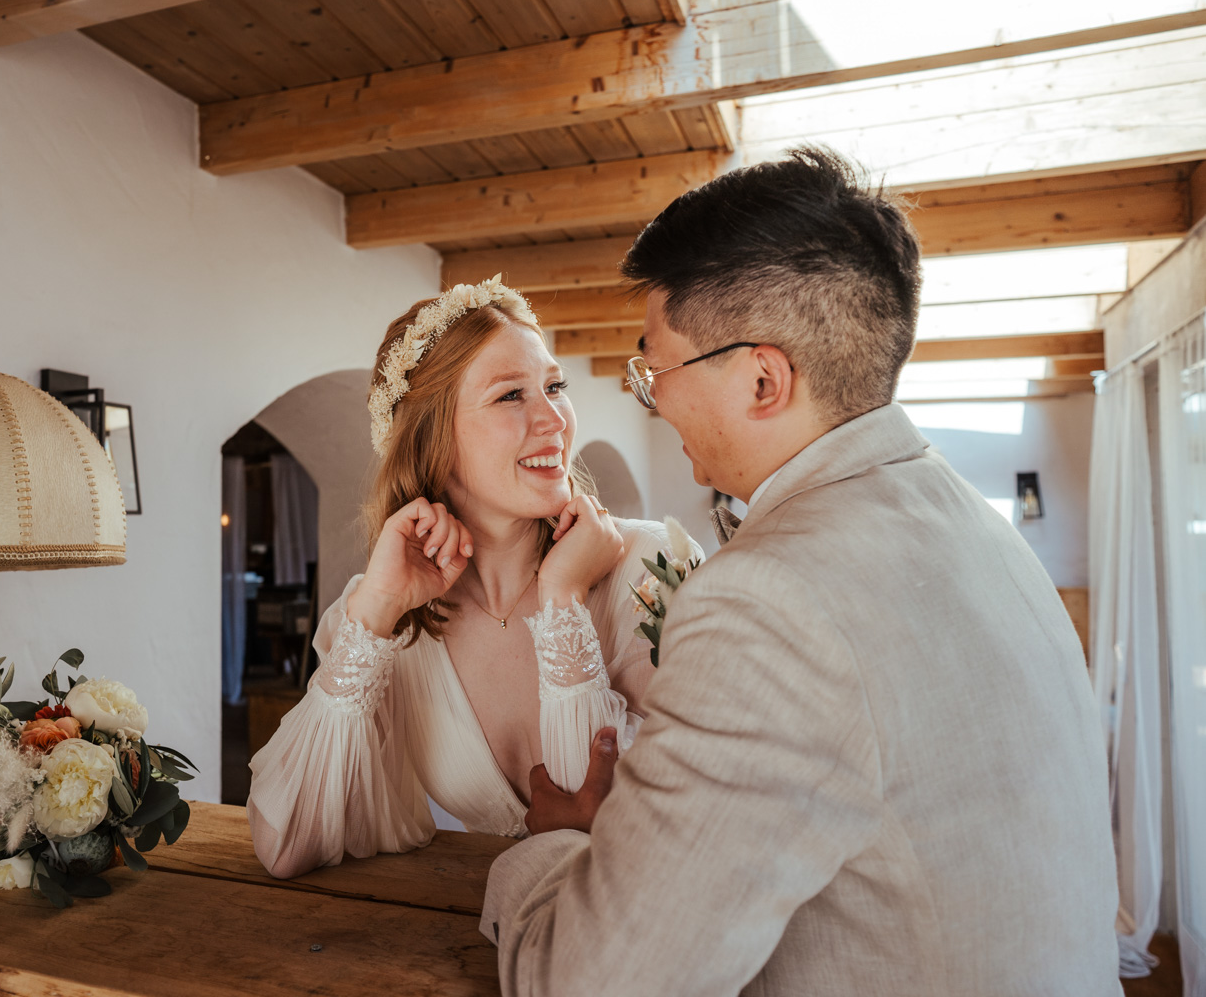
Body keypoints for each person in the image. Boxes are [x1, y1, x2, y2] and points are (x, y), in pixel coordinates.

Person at [479, 148, 1121, 996]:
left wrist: (553, 847)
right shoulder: (979, 527)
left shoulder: (767, 599)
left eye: (656, 368)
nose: (653, 397)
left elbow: (595, 980)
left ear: (763, 379)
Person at [247, 277, 697, 879]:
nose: (555, 420)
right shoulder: (380, 622)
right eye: (511, 396)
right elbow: (286, 844)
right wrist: (377, 610)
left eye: (554, 386)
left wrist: (563, 598)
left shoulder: (650, 570)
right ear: (435, 440)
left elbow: (660, 831)